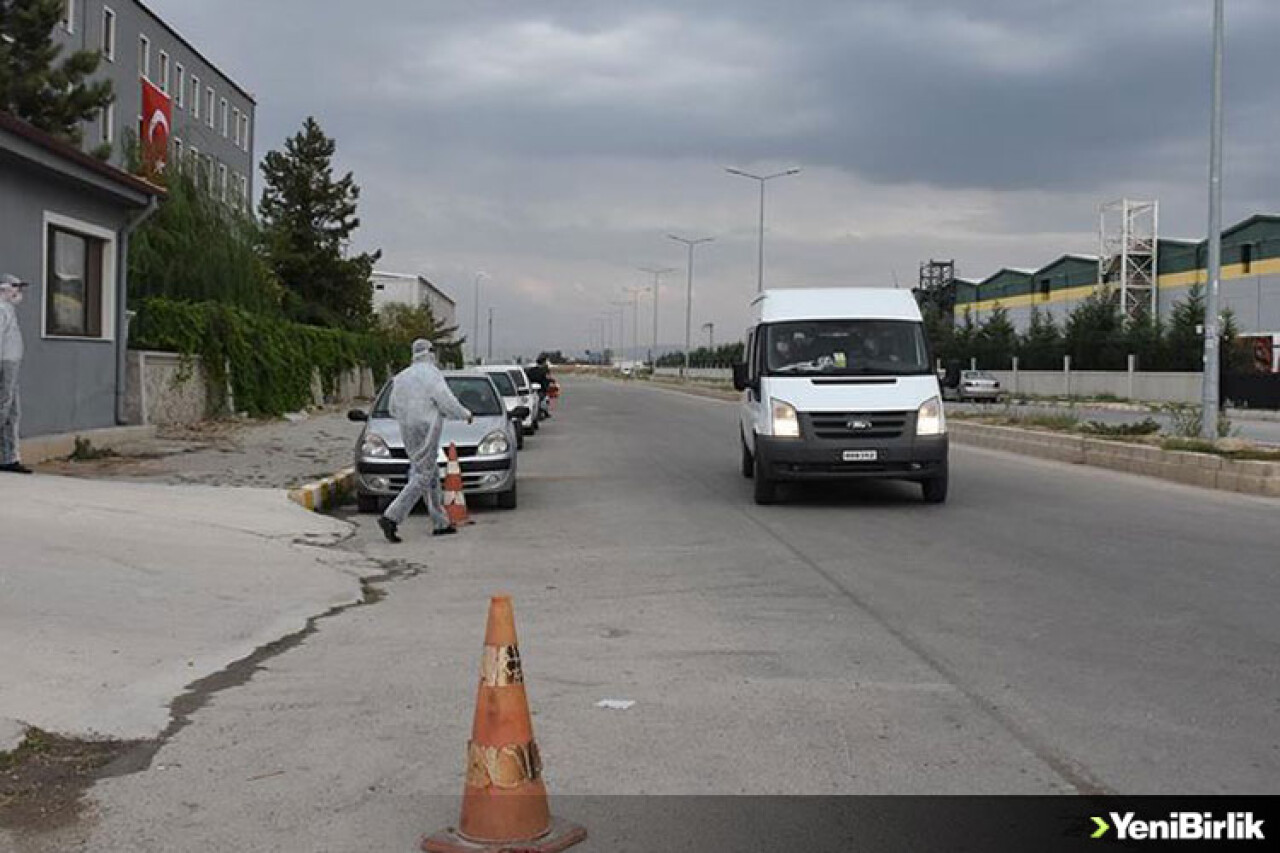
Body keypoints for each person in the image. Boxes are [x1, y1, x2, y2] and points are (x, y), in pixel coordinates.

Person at [378, 339, 472, 543]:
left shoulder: (401, 377)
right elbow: (446, 400)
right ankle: (391, 516)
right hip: (427, 426)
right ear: (430, 353)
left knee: (428, 473)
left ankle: (440, 522)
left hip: (407, 427)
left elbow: (392, 407)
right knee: (423, 473)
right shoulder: (432, 374)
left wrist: (407, 417)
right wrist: (465, 414)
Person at [0, 274, 32, 475]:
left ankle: (9, 458)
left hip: (12, 363)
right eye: (15, 287)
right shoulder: (1, 310)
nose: (18, 292)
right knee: (3, 407)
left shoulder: (9, 310)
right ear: (3, 289)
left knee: (12, 412)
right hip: (4, 363)